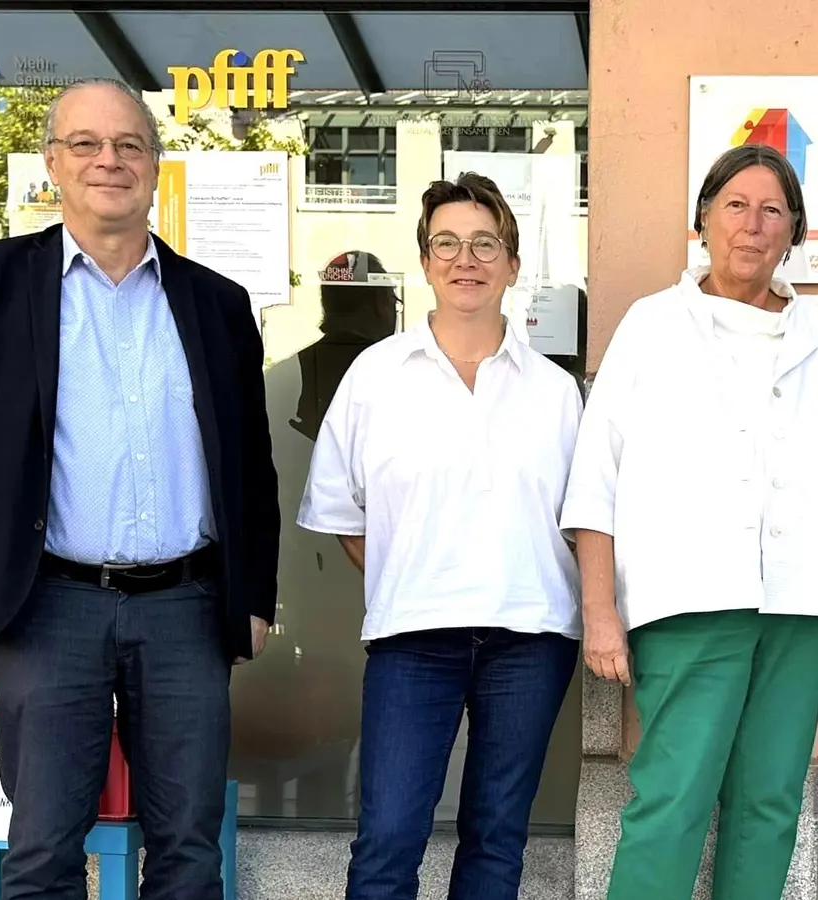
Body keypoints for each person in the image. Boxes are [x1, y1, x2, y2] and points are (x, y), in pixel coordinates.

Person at [0, 77, 278, 898]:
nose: (109, 161)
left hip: (185, 611)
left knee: (189, 850)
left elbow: (250, 464)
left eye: (129, 144)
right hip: (45, 606)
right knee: (42, 851)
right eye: (86, 144)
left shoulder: (218, 303)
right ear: (53, 163)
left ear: (154, 165)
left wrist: (255, 597)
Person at [563, 143, 818, 900]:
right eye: (735, 206)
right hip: (688, 605)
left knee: (768, 806)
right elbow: (595, 480)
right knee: (671, 802)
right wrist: (601, 611)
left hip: (802, 607)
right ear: (703, 220)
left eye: (772, 210)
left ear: (793, 231)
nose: (753, 225)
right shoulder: (653, 326)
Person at [296, 172, 583, 900]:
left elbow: (583, 523)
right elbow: (344, 519)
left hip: (530, 635)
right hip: (413, 637)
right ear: (424, 261)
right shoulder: (374, 377)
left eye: (486, 243)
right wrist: (417, 567)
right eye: (446, 243)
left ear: (513, 265)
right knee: (389, 837)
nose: (467, 259)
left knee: (496, 838)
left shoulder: (555, 391)